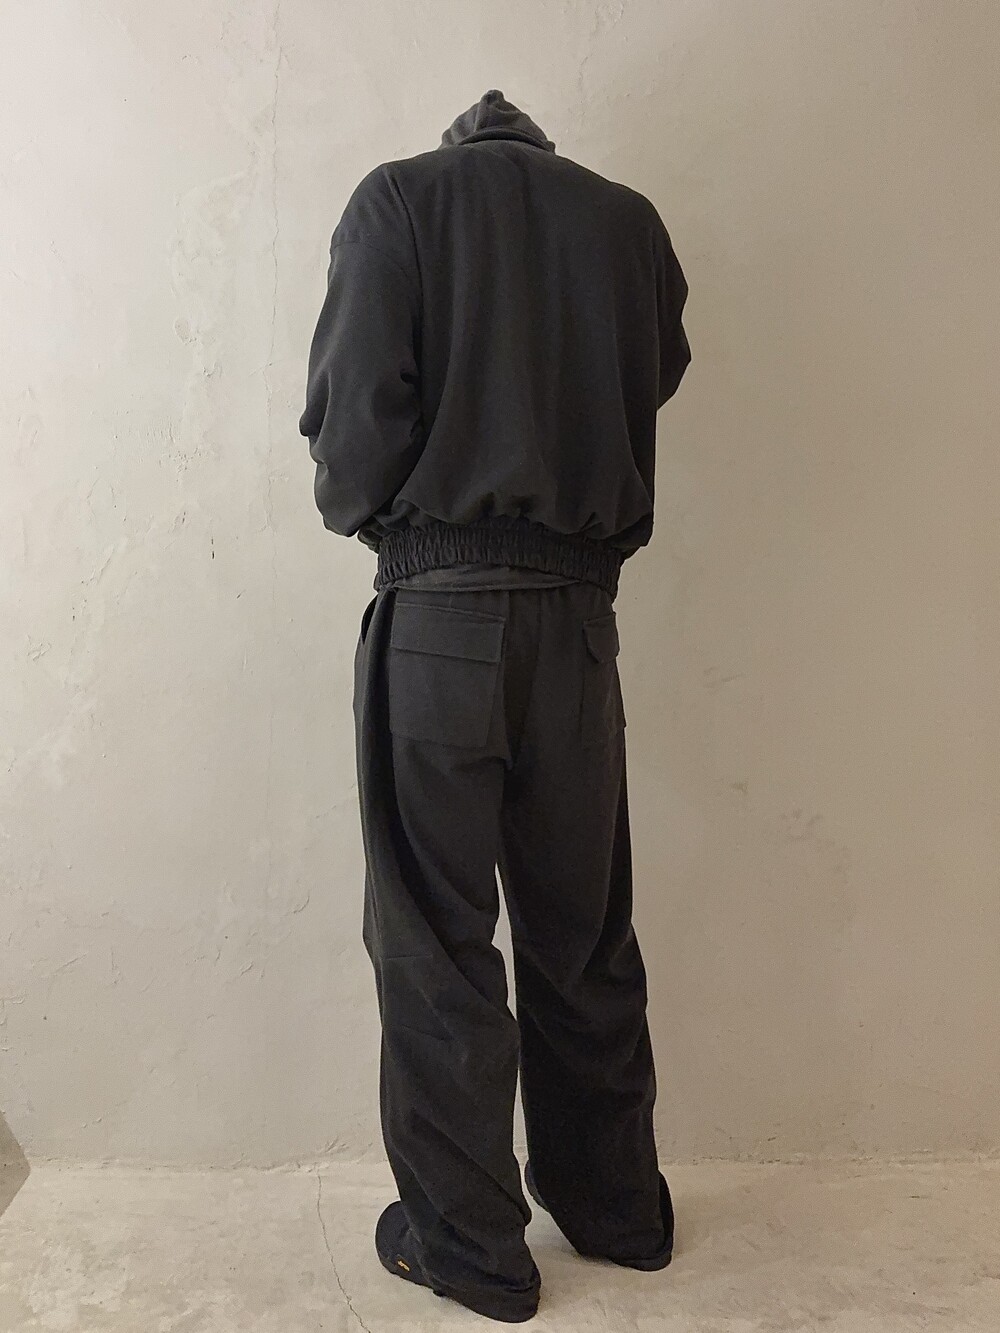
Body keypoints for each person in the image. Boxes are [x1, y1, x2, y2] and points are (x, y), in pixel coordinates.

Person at [298, 88, 691, 1324]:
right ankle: (617, 1209)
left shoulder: (397, 200)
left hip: (440, 616)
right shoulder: (627, 223)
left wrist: (384, 516)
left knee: (433, 941)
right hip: (577, 626)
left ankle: (469, 1248)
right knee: (583, 930)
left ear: (458, 142)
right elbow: (656, 371)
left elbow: (353, 415)